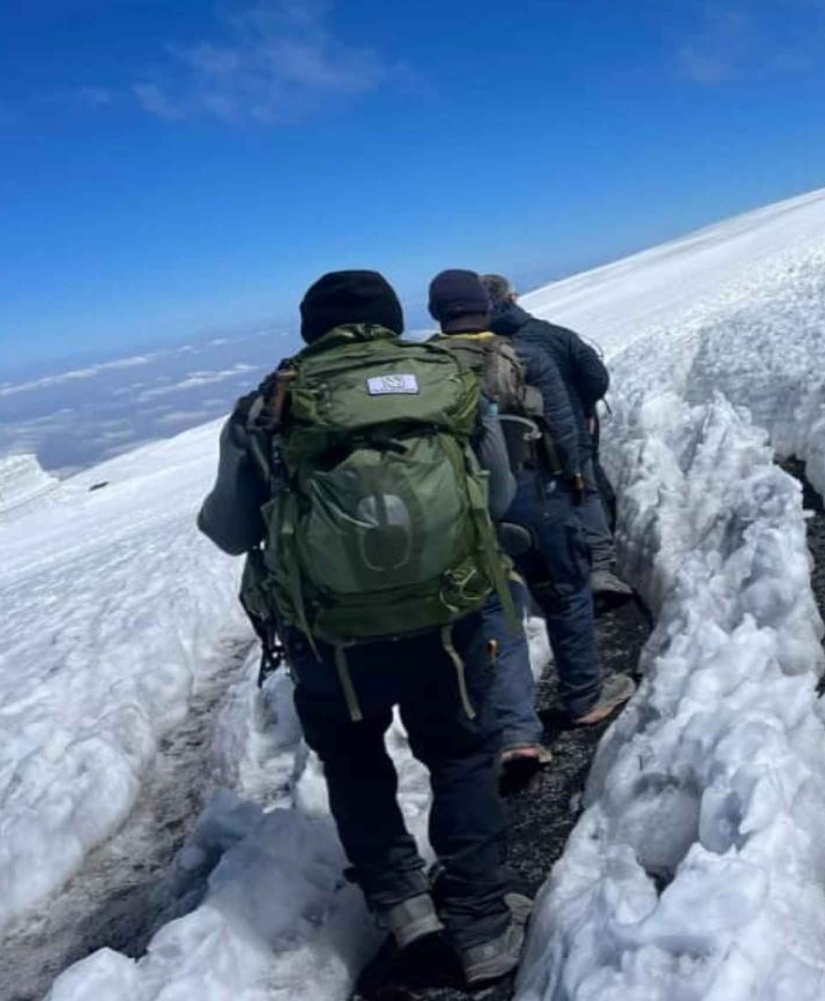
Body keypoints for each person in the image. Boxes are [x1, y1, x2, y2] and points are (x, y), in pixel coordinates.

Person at [196, 270, 528, 986]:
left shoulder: (270, 404)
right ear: (389, 319)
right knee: (464, 756)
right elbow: (499, 493)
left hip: (333, 641)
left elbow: (227, 530)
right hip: (449, 618)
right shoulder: (443, 380)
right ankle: (482, 924)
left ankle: (405, 908)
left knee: (356, 767)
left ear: (309, 328)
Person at [428, 270, 636, 774]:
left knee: (493, 610)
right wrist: (573, 489)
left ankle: (516, 733)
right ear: (488, 305)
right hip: (534, 496)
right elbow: (566, 440)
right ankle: (584, 696)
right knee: (566, 591)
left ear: (438, 314)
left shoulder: (426, 370)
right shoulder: (527, 357)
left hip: (464, 510)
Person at [480, 274, 635, 608]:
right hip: (572, 430)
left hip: (508, 449)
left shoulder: (481, 351)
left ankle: (543, 576)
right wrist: (580, 406)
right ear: (514, 297)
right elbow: (596, 378)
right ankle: (598, 568)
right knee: (587, 491)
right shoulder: (556, 335)